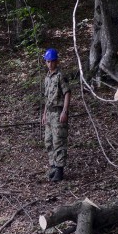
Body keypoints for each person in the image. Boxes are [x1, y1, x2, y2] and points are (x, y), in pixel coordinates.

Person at [41, 48, 70, 182]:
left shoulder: (60, 76)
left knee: (58, 141)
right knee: (49, 141)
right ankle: (53, 166)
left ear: (56, 62)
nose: (50, 64)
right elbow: (47, 98)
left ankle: (60, 169)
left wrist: (64, 111)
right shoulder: (47, 77)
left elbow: (67, 93)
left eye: (52, 62)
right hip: (50, 112)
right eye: (48, 62)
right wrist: (44, 113)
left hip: (58, 112)